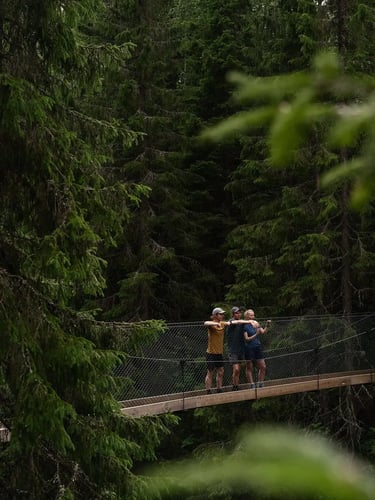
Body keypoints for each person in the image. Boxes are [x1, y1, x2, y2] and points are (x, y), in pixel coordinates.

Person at [204, 307, 250, 394]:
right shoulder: (211, 325)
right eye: (220, 314)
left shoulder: (222, 323)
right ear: (215, 315)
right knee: (210, 372)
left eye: (222, 314)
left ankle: (219, 388)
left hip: (219, 353)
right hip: (210, 353)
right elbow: (205, 323)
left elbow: (236, 322)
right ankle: (208, 390)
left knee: (221, 371)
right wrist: (215, 324)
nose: (222, 315)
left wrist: (250, 321)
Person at [226, 306, 254, 391]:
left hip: (241, 349)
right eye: (236, 313)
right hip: (233, 350)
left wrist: (253, 322)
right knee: (236, 369)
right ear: (233, 314)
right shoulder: (231, 321)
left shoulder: (242, 323)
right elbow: (236, 322)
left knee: (238, 369)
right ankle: (235, 386)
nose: (238, 314)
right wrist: (249, 321)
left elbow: (250, 324)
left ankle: (236, 386)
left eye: (239, 312)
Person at [243, 309, 271, 388]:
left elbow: (263, 332)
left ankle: (260, 382)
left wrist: (267, 325)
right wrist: (256, 334)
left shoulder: (256, 323)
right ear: (246, 316)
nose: (253, 317)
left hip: (257, 347)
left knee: (263, 366)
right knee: (249, 367)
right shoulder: (244, 325)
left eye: (253, 315)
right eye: (251, 315)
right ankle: (251, 384)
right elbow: (246, 339)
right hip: (248, 348)